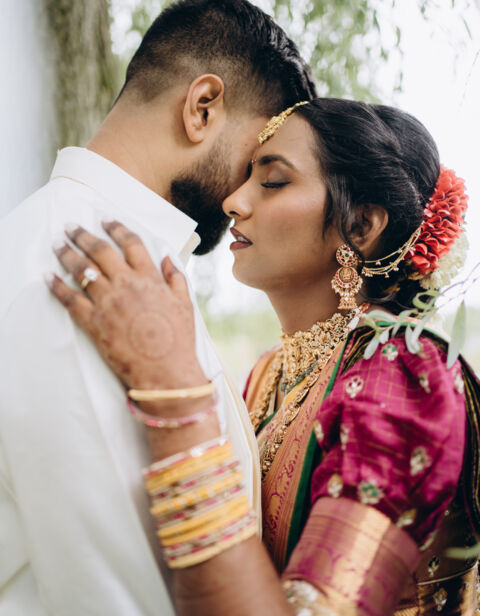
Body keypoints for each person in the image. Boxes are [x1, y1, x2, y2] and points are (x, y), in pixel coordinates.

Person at [47, 97, 478, 615]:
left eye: (272, 181)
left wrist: (174, 391)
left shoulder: (405, 375)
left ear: (362, 226)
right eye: (246, 176)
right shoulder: (269, 373)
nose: (233, 201)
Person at [0, 0, 315, 614]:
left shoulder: (112, 256)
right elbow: (123, 599)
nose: (245, 198)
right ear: (202, 108)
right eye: (256, 161)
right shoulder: (85, 268)